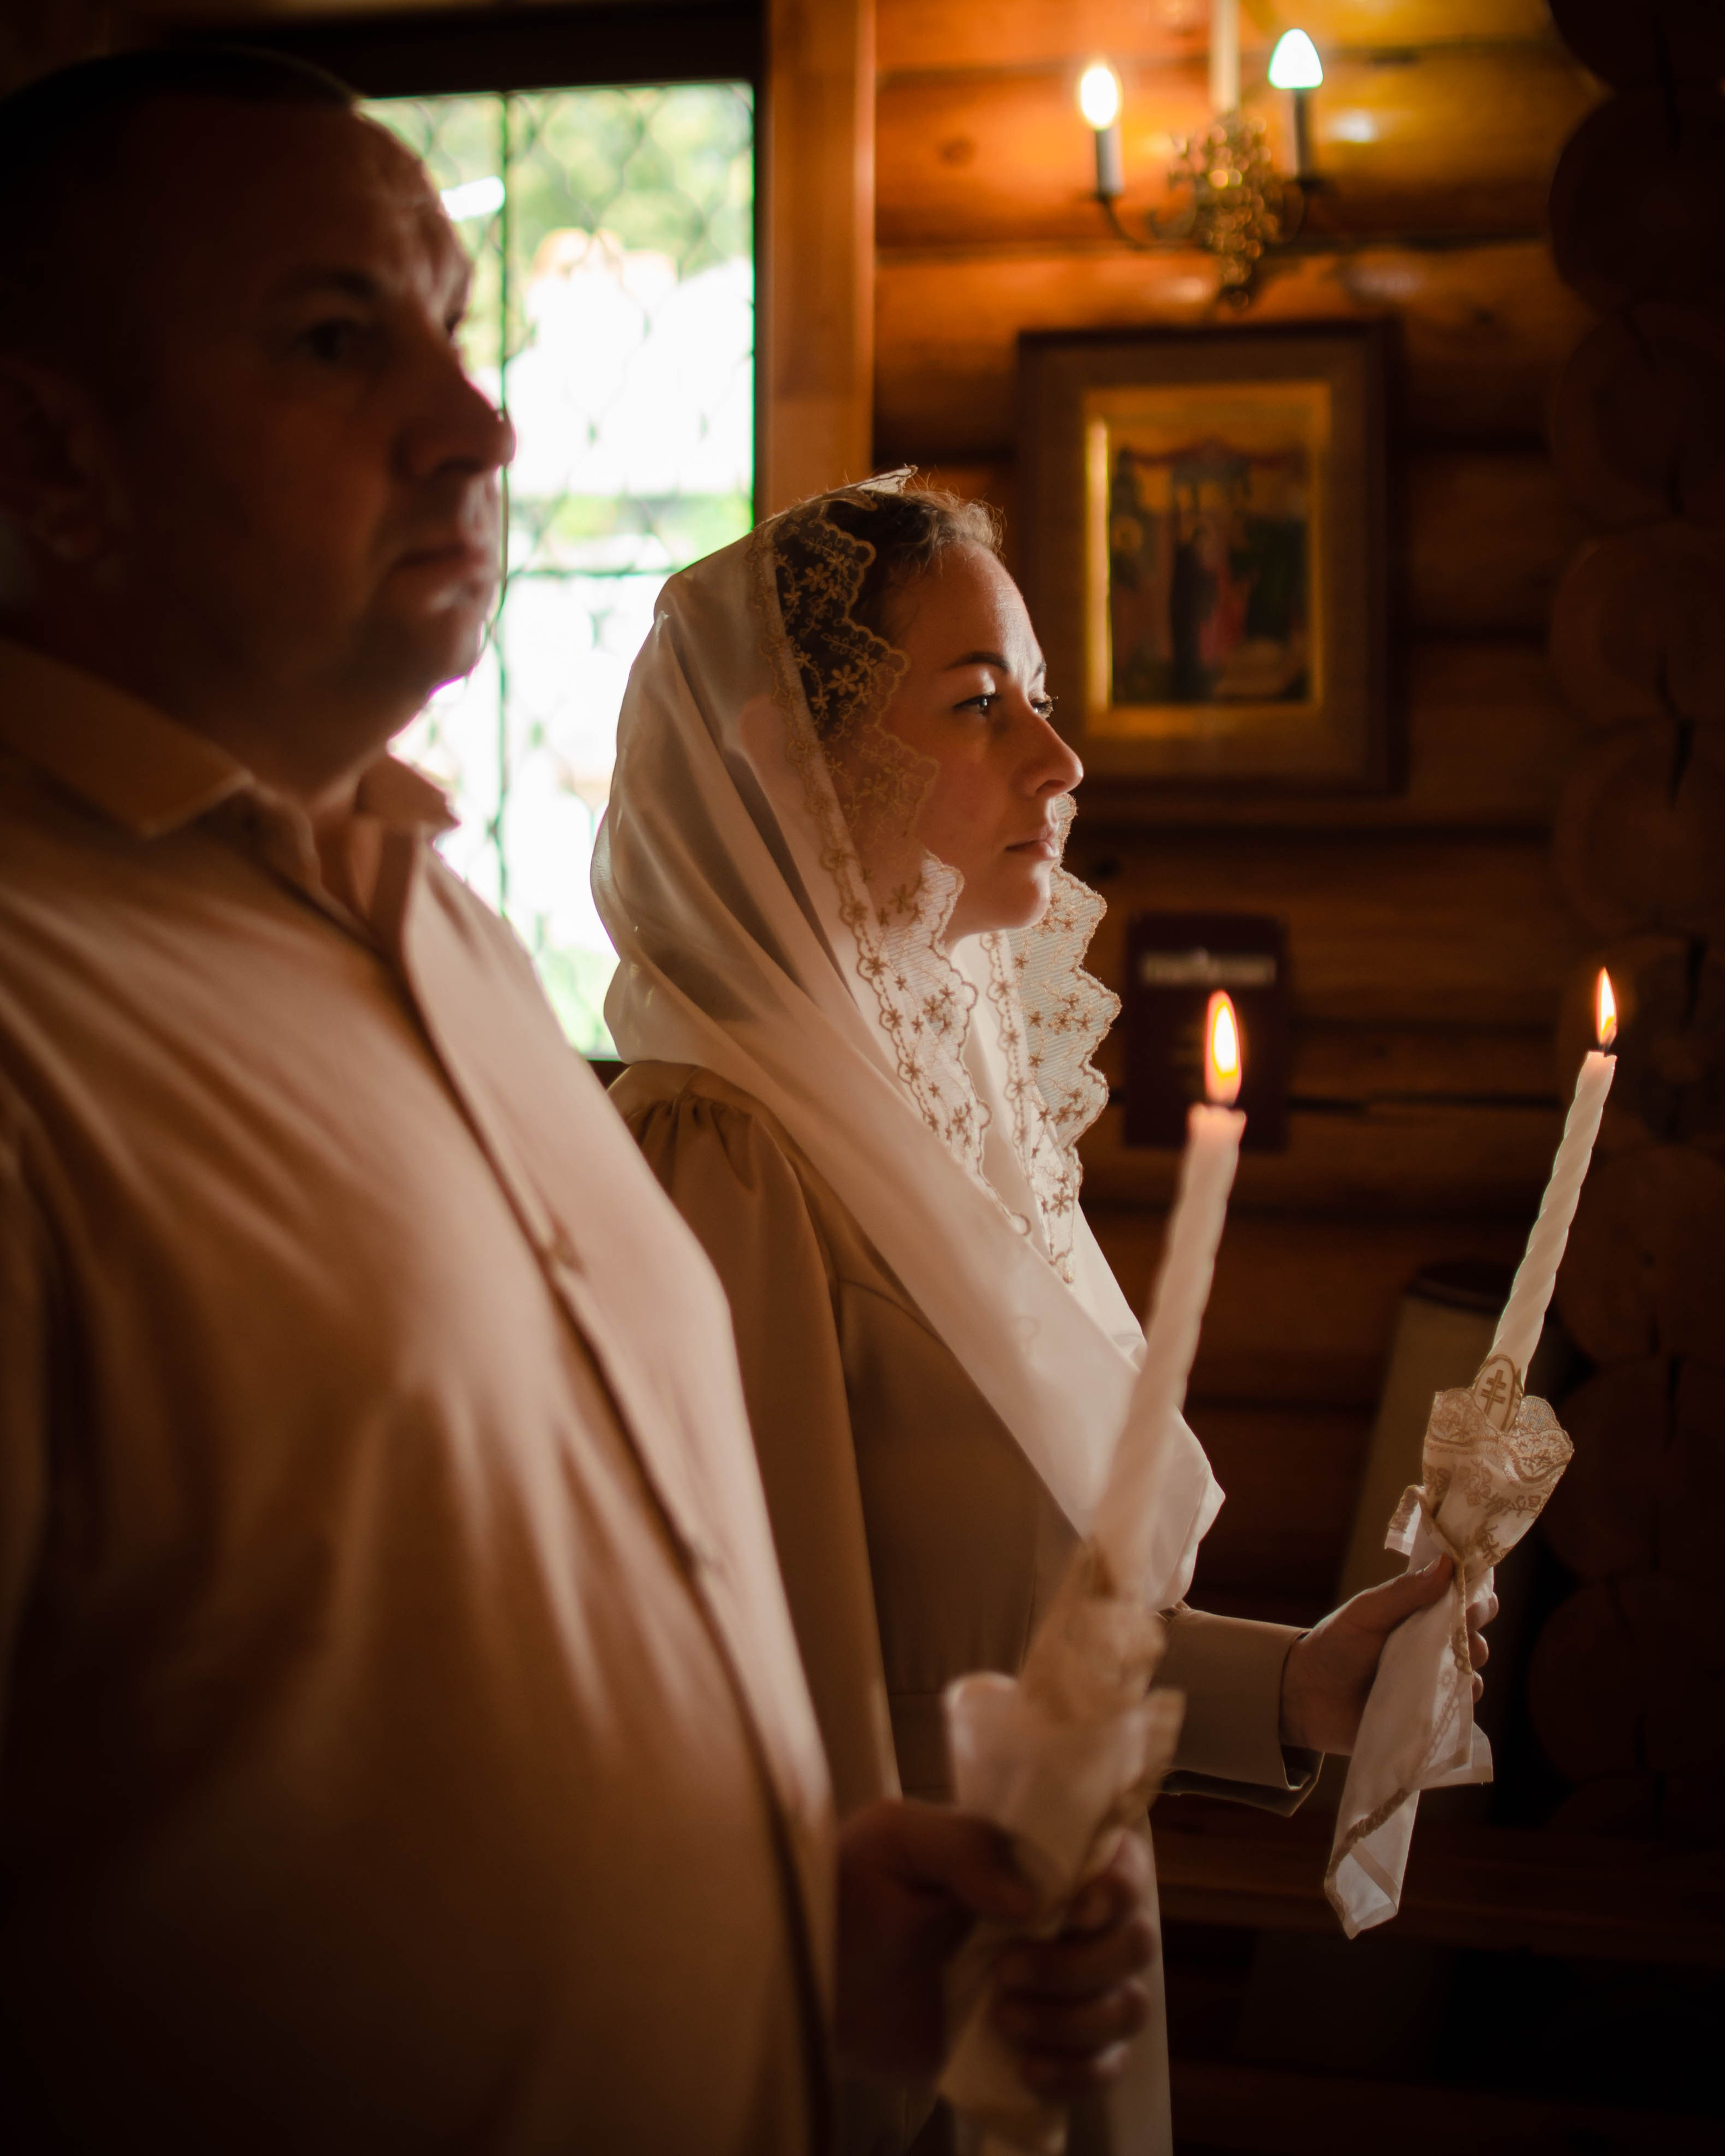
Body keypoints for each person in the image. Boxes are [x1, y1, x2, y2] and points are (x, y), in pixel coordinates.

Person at [0, 53, 1157, 2153]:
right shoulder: (37, 1023)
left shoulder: (433, 931)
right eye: (336, 338)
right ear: (46, 449)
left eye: (452, 320)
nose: (481, 420)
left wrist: (809, 1924)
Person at [595, 480, 1495, 2153]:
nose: (1057, 761)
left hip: (1054, 1962)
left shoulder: (937, 1135)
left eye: (1041, 699)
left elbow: (1002, 1627)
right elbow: (774, 1706)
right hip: (896, 2030)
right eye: (976, 702)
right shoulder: (721, 1160)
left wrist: (1292, 1688)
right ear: (790, 775)